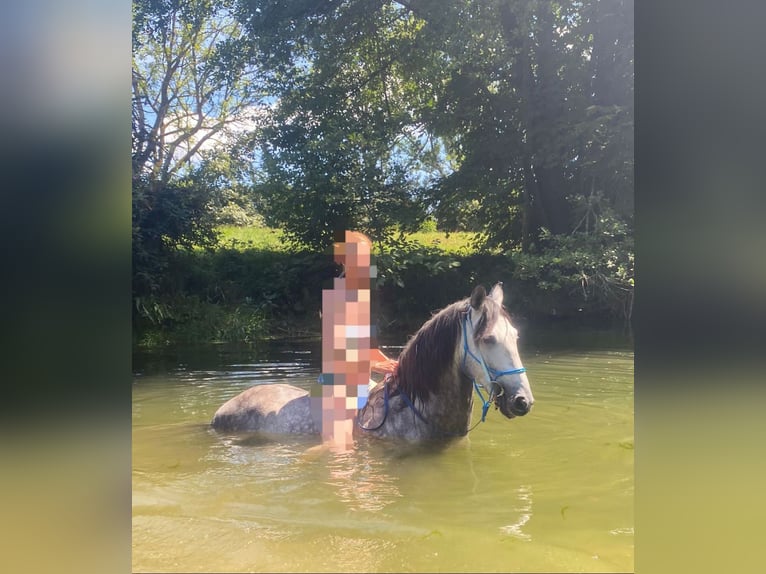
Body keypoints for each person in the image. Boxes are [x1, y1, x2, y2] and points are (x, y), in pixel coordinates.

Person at [310, 231, 394, 450]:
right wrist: (374, 365)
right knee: (339, 447)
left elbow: (370, 348)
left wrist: (397, 365)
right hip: (338, 380)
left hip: (361, 378)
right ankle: (307, 463)